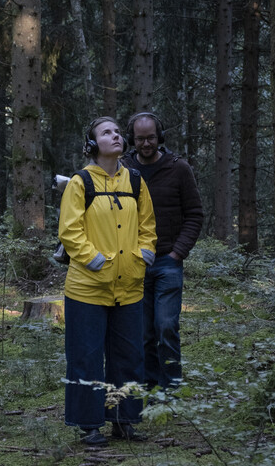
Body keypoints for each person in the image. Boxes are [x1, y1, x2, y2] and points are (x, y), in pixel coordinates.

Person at [59, 116, 157, 446]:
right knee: (86, 356)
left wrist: (144, 254)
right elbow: (70, 232)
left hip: (129, 285)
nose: (115, 135)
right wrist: (95, 260)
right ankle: (89, 425)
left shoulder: (134, 181)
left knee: (129, 356)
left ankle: (124, 419)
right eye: (106, 133)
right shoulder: (80, 182)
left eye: (117, 131)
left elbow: (148, 227)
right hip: (87, 287)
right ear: (93, 144)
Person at [120, 112, 204, 390]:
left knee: (166, 326)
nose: (146, 143)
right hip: (134, 262)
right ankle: (150, 384)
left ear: (160, 137)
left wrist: (178, 253)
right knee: (143, 331)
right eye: (141, 138)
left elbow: (194, 214)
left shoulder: (179, 168)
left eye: (151, 137)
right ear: (132, 139)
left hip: (168, 261)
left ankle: (170, 389)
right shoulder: (123, 169)